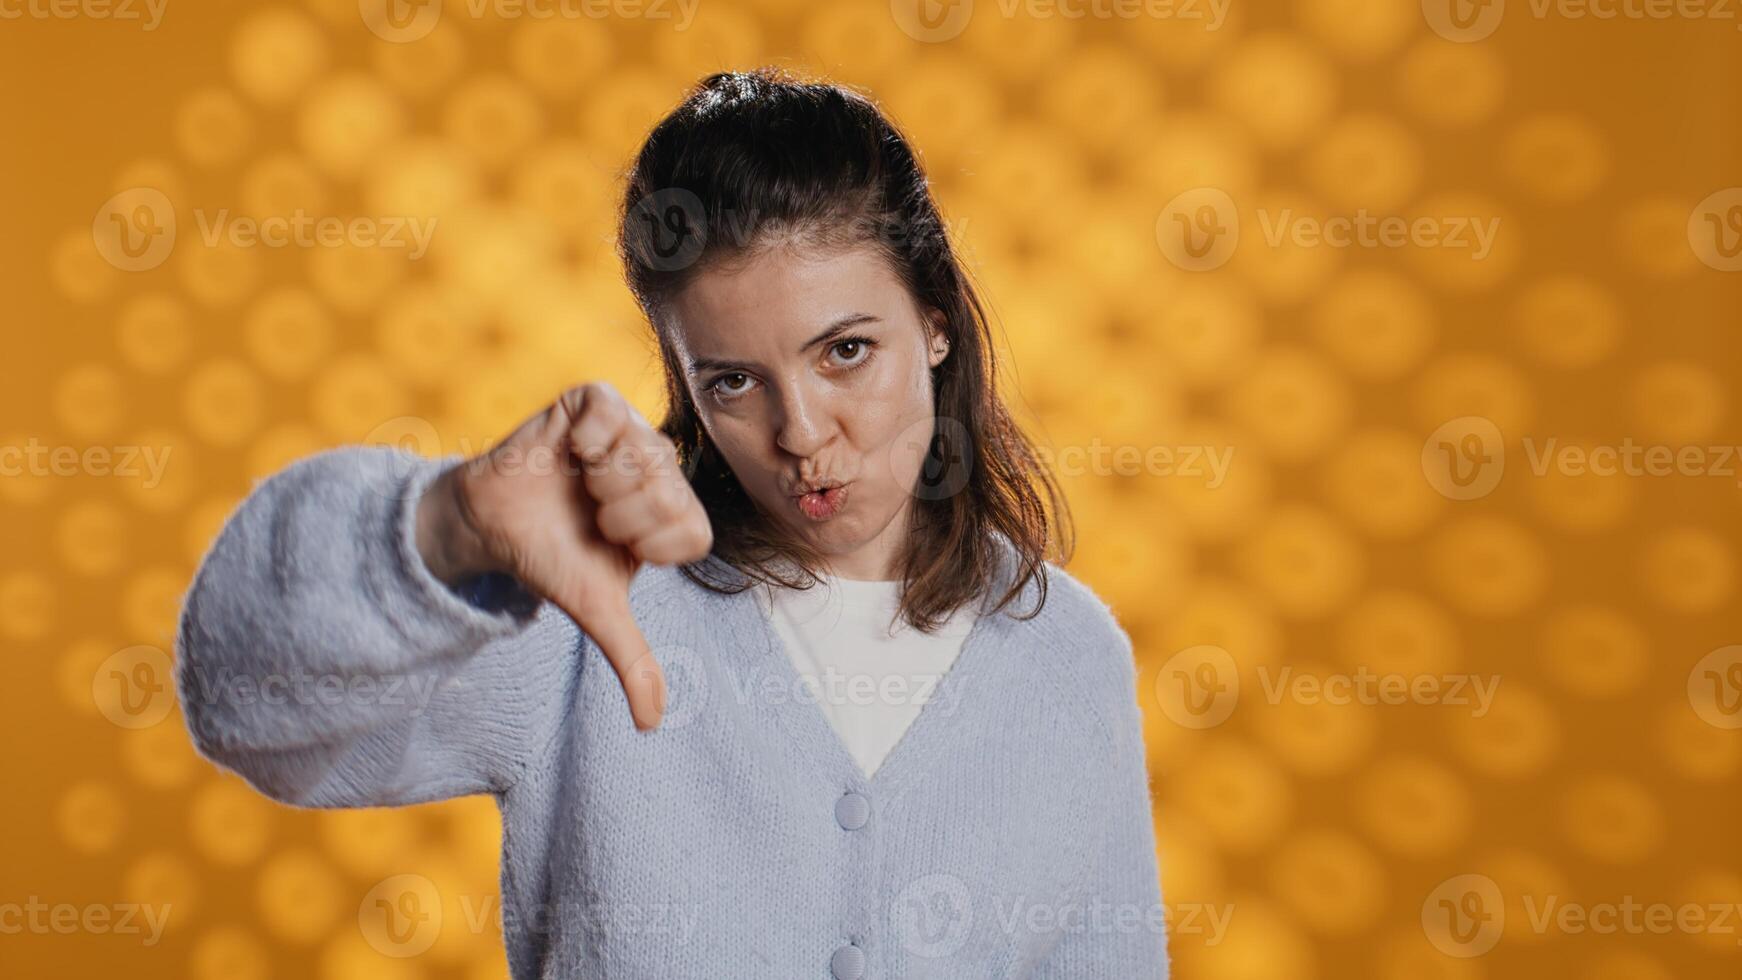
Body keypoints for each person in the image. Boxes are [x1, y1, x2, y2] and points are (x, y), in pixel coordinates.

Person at [176, 66, 1168, 979]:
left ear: (935, 326)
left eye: (846, 351)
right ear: (687, 387)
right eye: (733, 380)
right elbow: (250, 707)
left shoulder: (1064, 655)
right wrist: (443, 531)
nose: (800, 433)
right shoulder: (587, 605)